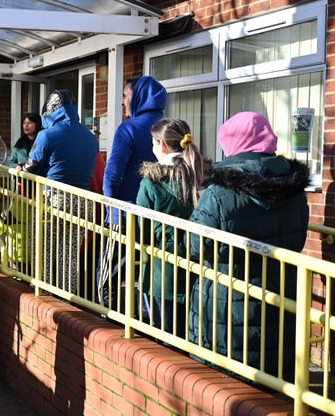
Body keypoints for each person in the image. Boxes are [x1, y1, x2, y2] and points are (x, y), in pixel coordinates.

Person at [188, 111, 309, 379]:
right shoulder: (294, 187)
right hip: (280, 295)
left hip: (226, 303)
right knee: (275, 380)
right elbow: (299, 238)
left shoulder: (220, 190)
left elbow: (195, 245)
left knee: (222, 385)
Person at [97, 75, 166, 308]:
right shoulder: (169, 127)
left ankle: (106, 315)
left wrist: (110, 206)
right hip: (158, 216)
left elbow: (113, 173)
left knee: (110, 272)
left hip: (124, 214)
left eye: (125, 96)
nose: (122, 102)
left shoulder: (128, 128)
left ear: (137, 98)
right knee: (148, 271)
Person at [136, 118, 208, 336]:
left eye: (153, 142)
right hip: (200, 263)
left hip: (163, 268)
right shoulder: (202, 175)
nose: (152, 147)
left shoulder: (151, 182)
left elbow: (142, 230)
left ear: (163, 145)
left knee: (165, 335)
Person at [23, 89, 99, 294]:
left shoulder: (46, 135)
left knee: (43, 247)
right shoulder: (91, 137)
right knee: (70, 254)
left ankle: (43, 293)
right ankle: (66, 296)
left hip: (55, 199)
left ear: (50, 111)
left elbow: (30, 167)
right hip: (84, 203)